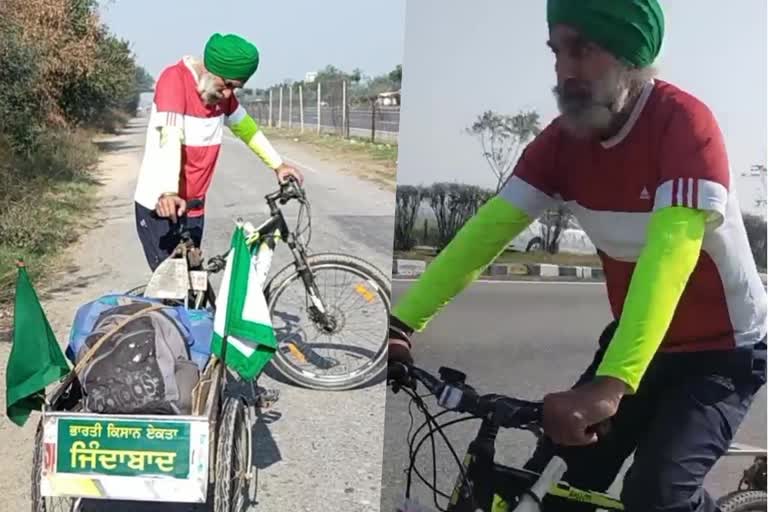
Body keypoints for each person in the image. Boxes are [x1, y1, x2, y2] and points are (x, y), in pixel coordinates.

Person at [387, 1, 767, 511]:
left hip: (722, 353)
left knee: (656, 496)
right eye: (557, 51)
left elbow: (671, 257)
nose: (565, 70)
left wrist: (610, 385)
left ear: (631, 56)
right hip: (636, 342)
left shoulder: (685, 126)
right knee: (555, 477)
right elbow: (487, 232)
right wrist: (402, 321)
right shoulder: (562, 143)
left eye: (583, 50)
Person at [133, 33, 304, 271]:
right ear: (212, 69)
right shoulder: (174, 80)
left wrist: (278, 165)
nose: (228, 94)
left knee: (192, 284)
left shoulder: (218, 93)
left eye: (236, 88)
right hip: (162, 205)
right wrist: (169, 192)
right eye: (228, 85)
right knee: (170, 290)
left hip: (193, 207)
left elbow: (247, 129)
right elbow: (170, 137)